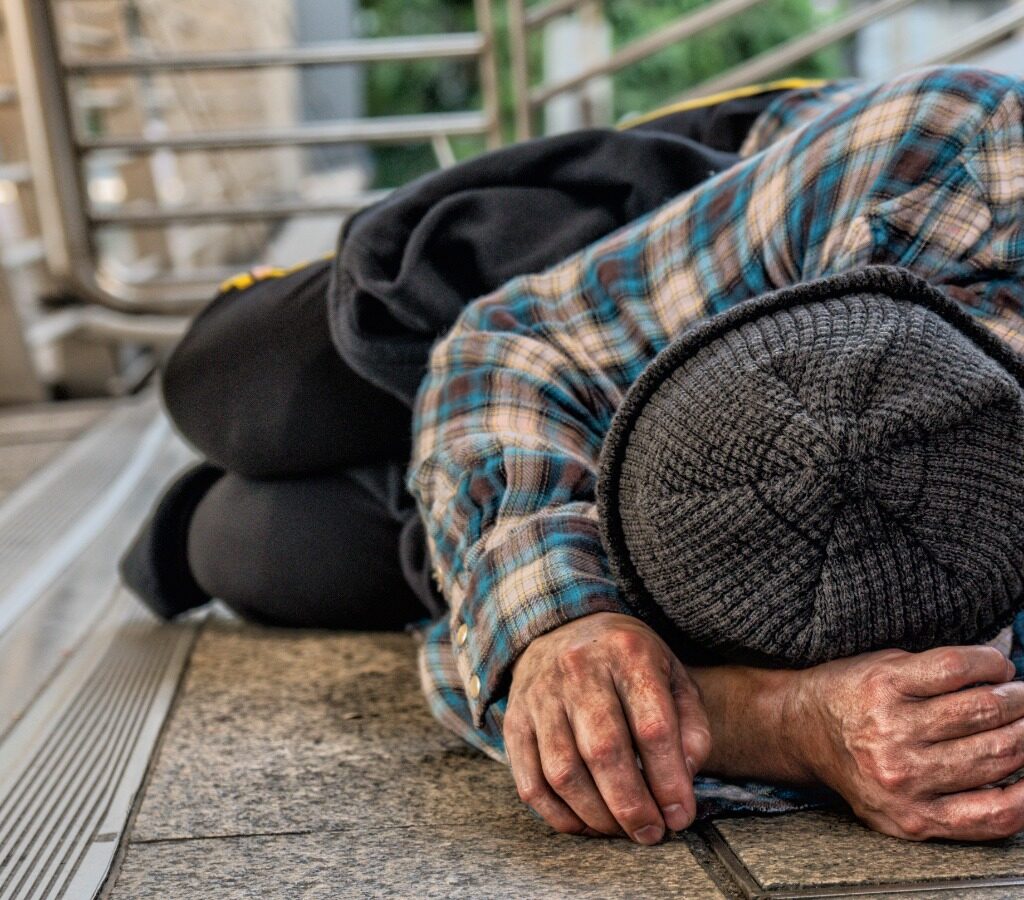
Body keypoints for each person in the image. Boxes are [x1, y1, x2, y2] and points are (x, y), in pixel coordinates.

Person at [123, 66, 1024, 845]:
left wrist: (787, 724)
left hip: (706, 552)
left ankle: (414, 502)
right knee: (237, 395)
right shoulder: (957, 164)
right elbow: (519, 345)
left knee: (245, 544)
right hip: (607, 271)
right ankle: (418, 452)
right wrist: (565, 630)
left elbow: (527, 701)